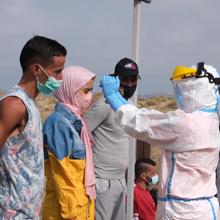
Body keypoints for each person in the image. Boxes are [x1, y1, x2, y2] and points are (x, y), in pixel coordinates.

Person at [100, 62, 220, 220]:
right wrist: (121, 103)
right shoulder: (209, 119)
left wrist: (114, 97)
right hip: (199, 207)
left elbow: (140, 123)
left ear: (195, 88)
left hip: (183, 210)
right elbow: (144, 117)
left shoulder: (186, 123)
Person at [0, 35, 66, 219]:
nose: (60, 78)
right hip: (11, 213)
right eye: (57, 71)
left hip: (29, 213)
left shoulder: (30, 103)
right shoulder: (15, 105)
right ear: (37, 69)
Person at [85, 57, 140, 220]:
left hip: (120, 180)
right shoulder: (104, 104)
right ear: (116, 79)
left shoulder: (128, 107)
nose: (130, 83)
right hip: (102, 181)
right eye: (125, 79)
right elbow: (81, 132)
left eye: (133, 79)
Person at [42, 66, 96, 220]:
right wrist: (73, 215)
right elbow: (64, 178)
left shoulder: (77, 122)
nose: (90, 96)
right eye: (86, 91)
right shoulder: (59, 124)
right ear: (69, 90)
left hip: (81, 208)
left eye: (91, 90)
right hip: (66, 213)